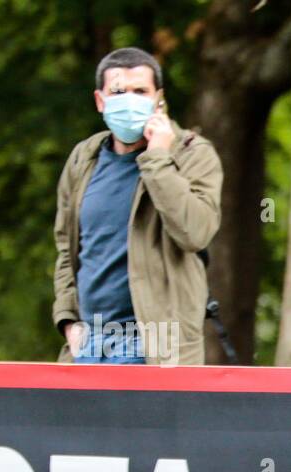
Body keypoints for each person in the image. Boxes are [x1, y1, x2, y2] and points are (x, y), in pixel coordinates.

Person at [52, 47, 222, 366]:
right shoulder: (83, 157)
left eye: (140, 91)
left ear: (158, 99)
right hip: (90, 343)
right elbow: (66, 247)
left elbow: (196, 233)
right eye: (118, 91)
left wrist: (158, 159)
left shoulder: (192, 154)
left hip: (157, 344)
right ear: (101, 100)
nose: (129, 99)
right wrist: (68, 321)